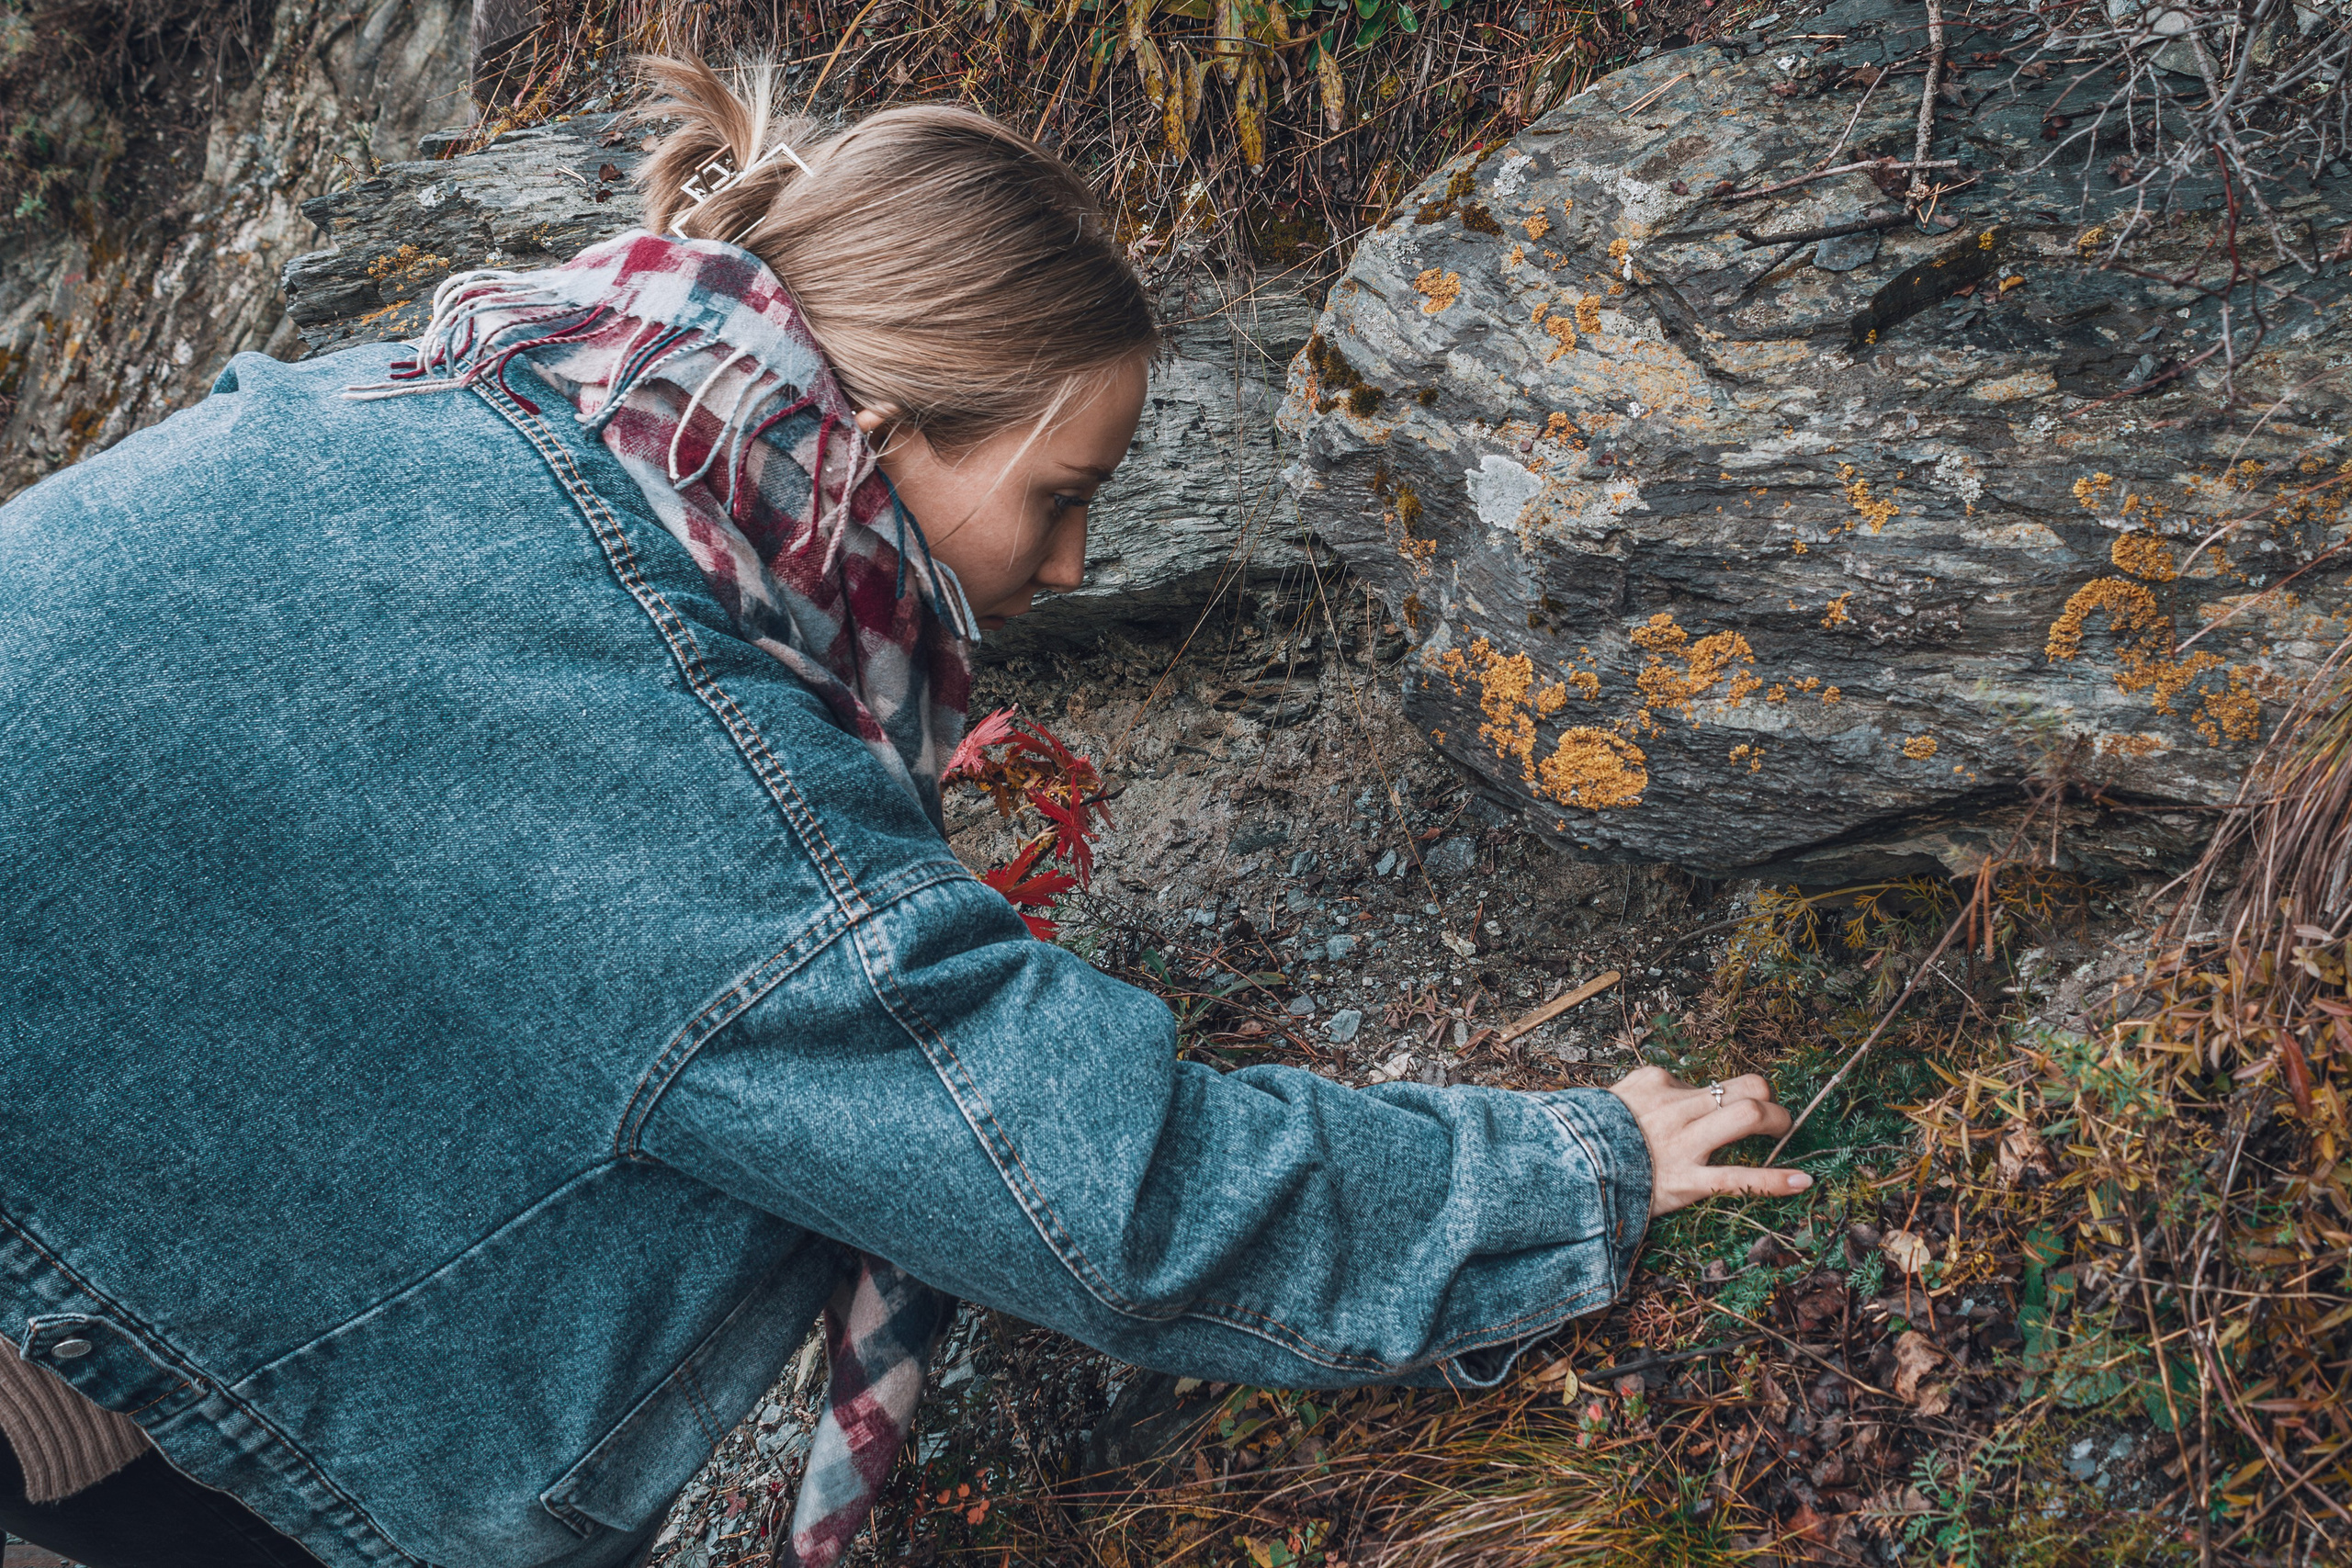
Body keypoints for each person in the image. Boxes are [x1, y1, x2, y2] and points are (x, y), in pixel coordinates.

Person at [0, 54, 1807, 1568]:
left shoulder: (464, 400)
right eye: (1061, 493)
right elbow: (1078, 1178)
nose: (1070, 565)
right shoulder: (636, 710)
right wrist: (1557, 1171)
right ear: (871, 440)